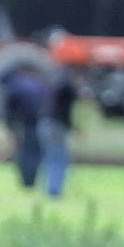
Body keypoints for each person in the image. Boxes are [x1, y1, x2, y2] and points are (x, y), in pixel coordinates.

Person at [0, 67, 47, 189]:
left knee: (26, 153)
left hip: (29, 123)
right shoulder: (32, 82)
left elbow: (9, 112)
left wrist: (10, 128)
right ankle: (32, 180)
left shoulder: (13, 88)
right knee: (35, 152)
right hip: (42, 120)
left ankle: (27, 182)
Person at [39, 69, 79, 198]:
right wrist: (73, 127)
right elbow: (64, 114)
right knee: (59, 158)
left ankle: (49, 188)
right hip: (56, 127)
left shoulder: (51, 88)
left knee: (49, 157)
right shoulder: (67, 91)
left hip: (44, 124)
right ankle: (54, 191)